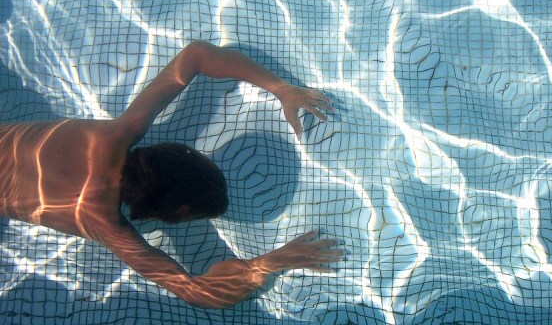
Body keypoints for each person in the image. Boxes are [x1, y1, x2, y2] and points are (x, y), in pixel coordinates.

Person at [0, 40, 344, 308]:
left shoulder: (120, 132)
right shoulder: (103, 221)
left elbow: (196, 55)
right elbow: (200, 293)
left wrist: (281, 88)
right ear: (175, 213)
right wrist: (270, 262)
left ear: (166, 151)